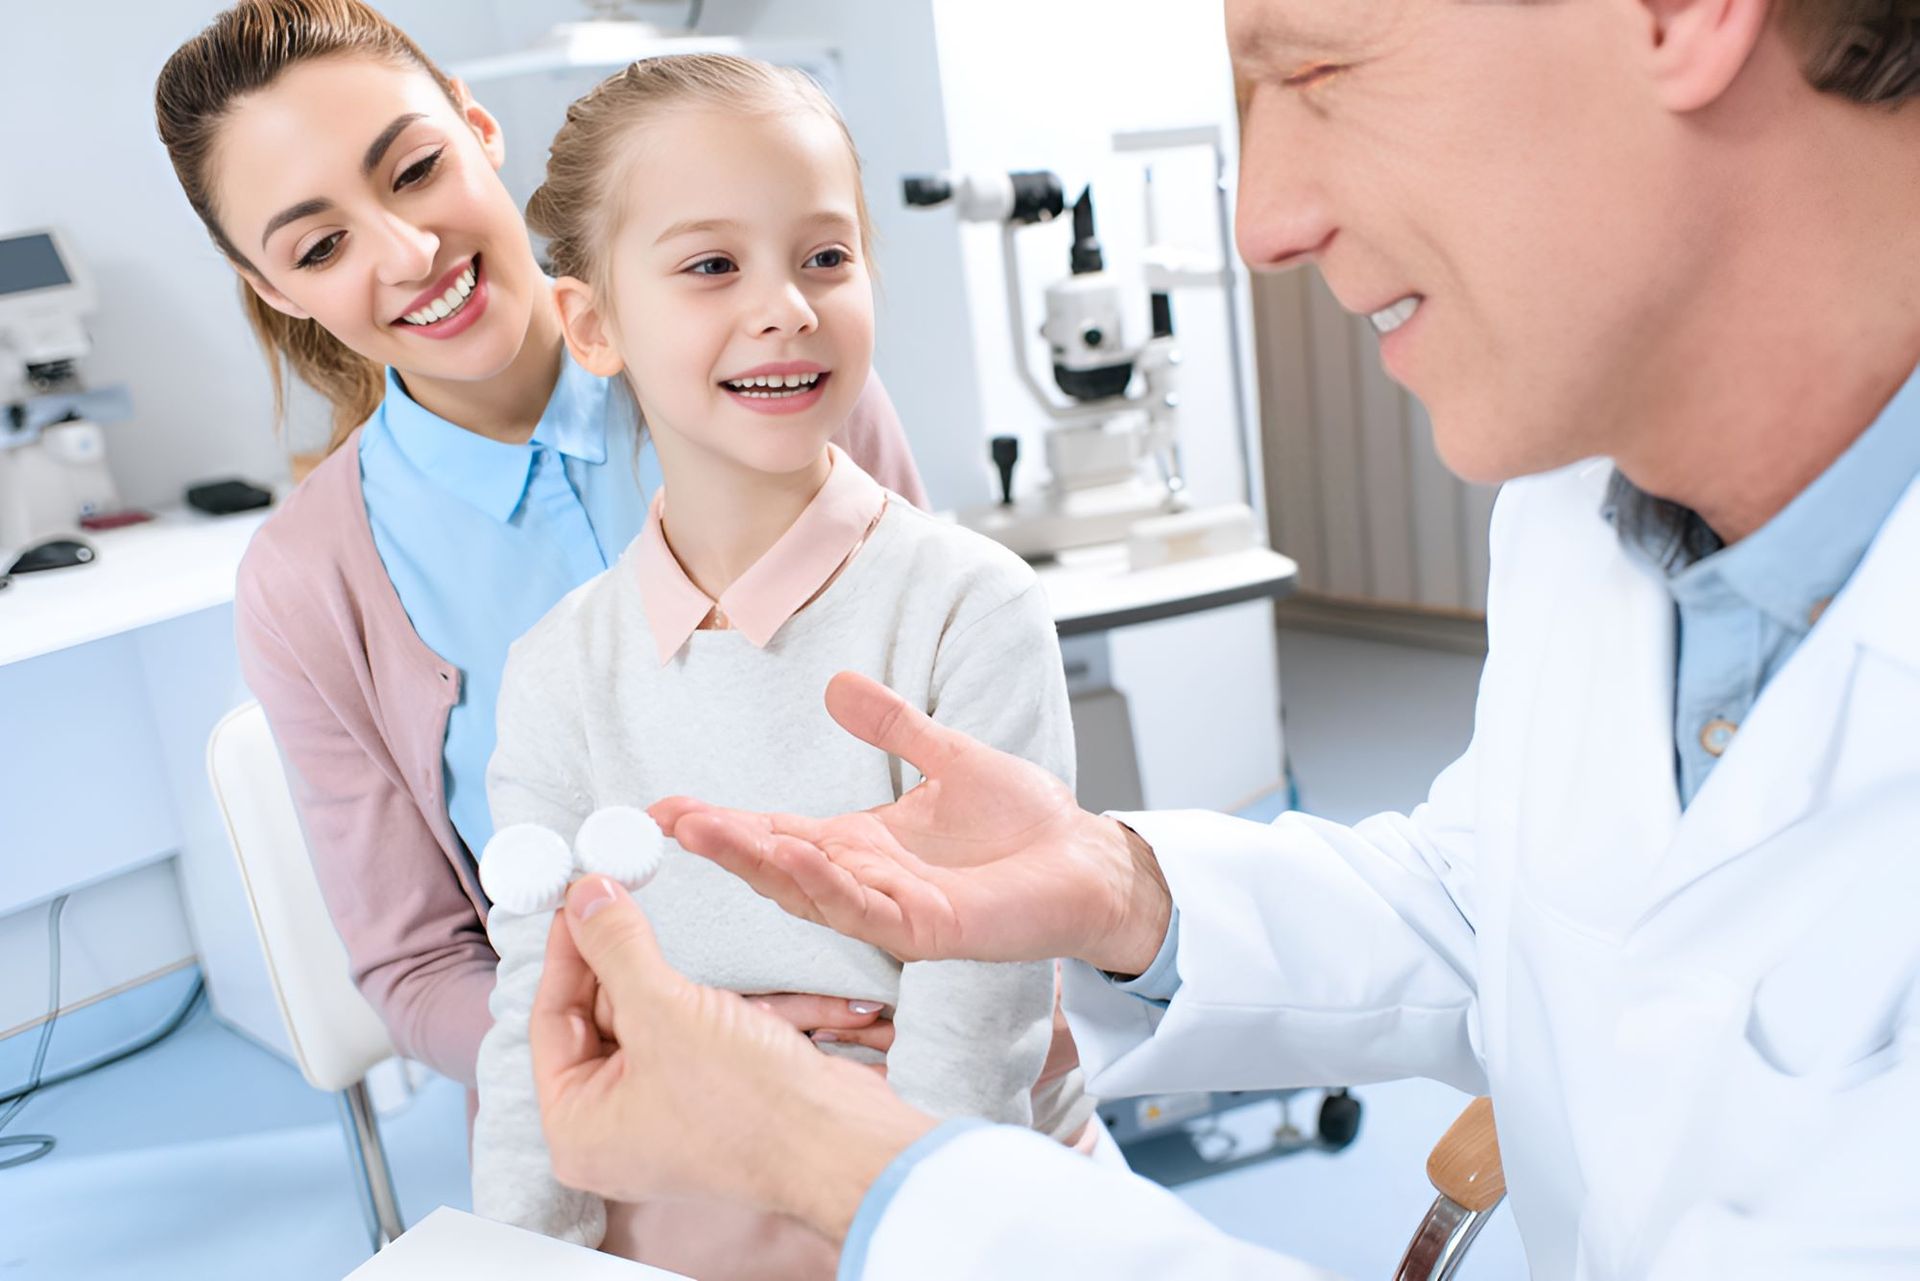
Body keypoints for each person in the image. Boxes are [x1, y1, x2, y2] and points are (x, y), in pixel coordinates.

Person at [525, 0, 1920, 1277]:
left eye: (1316, 69)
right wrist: (1124, 890)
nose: (1261, 224)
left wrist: (837, 1160)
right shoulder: (1585, 515)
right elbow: (1496, 905)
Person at [151, 0, 928, 1097]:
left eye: (415, 170)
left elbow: (948, 733)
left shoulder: (775, 361)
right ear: (278, 291)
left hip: (907, 1019)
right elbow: (417, 965)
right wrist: (640, 1059)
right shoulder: (309, 581)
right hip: (624, 1109)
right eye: (321, 245)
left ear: (477, 128)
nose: (410, 253)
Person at [470, 54, 1099, 1278]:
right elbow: (530, 1017)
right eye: (713, 265)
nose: (789, 307)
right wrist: (520, 1253)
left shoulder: (969, 608)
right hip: (682, 1182)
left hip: (935, 1192)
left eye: (825, 257)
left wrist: (902, 1226)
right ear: (593, 325)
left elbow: (975, 1017)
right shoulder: (557, 670)